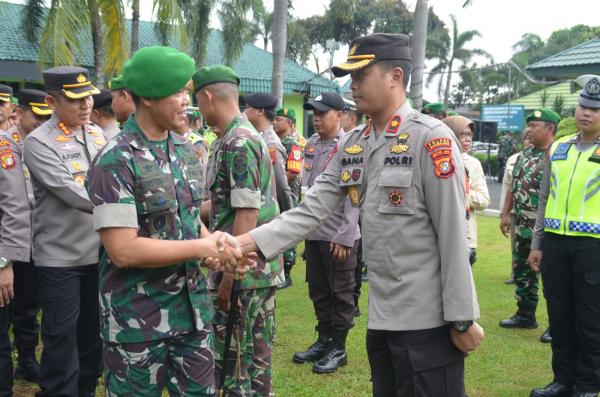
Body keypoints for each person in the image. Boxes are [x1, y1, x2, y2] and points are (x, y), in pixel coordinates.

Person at [232, 33, 483, 397]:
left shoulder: (431, 139)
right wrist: (244, 242)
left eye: (361, 75)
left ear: (395, 77)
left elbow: (453, 234)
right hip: (382, 318)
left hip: (426, 322)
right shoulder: (356, 144)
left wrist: (462, 317)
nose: (353, 85)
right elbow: (311, 209)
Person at [86, 46, 244, 397]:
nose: (186, 100)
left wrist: (212, 246)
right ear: (147, 97)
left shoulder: (186, 149)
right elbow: (122, 249)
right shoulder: (114, 160)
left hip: (193, 316)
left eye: (186, 91)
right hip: (137, 324)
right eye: (177, 92)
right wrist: (200, 246)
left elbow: (187, 218)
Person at [194, 65, 284, 396]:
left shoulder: (239, 142)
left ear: (208, 96)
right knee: (247, 357)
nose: (197, 109)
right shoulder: (230, 137)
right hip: (249, 265)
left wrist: (230, 277)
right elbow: (226, 204)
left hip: (245, 269)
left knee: (240, 363)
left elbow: (246, 212)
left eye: (197, 101)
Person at [23, 66, 105, 397]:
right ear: (51, 101)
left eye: (88, 97)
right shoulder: (38, 143)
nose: (85, 105)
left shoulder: (98, 134)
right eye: (75, 99)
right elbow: (71, 192)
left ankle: (84, 391)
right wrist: (127, 209)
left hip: (98, 254)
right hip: (60, 260)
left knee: (93, 336)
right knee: (60, 338)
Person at [528, 76, 600, 397]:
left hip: (593, 248)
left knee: (590, 320)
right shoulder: (560, 147)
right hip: (555, 244)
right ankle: (562, 381)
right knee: (559, 316)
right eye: (583, 106)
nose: (586, 113)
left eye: (594, 109)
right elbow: (544, 199)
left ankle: (587, 385)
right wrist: (537, 243)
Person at [292, 92, 360, 374]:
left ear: (340, 115)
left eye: (322, 113)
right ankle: (324, 339)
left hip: (338, 235)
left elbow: (354, 195)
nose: (316, 118)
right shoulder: (311, 145)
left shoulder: (350, 146)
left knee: (341, 293)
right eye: (314, 114)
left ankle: (339, 347)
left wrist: (345, 235)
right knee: (319, 291)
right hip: (315, 232)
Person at [1, 89, 52, 387]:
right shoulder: (8, 147)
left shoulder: (47, 142)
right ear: (18, 114)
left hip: (36, 238)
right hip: (10, 238)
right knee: (8, 301)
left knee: (29, 304)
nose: (43, 122)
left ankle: (27, 356)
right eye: (38, 116)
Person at [499, 109, 559, 339]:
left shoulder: (557, 155)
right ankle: (525, 315)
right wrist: (505, 214)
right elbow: (513, 188)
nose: (530, 130)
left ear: (549, 129)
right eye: (530, 125)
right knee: (523, 271)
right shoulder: (525, 155)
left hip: (545, 228)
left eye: (535, 125)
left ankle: (557, 324)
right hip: (522, 223)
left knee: (552, 277)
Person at [443, 115, 490, 265]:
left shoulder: (473, 163)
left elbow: (483, 200)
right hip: (437, 233)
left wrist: (463, 191)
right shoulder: (435, 158)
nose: (467, 139)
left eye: (469, 135)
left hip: (464, 235)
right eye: (462, 134)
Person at [243, 92, 293, 216]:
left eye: (249, 107)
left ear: (260, 111)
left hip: (266, 214)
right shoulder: (258, 137)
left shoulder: (270, 144)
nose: (244, 111)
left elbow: (280, 184)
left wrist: (288, 215)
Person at [340, 98, 366, 315]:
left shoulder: (359, 143)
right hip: (348, 215)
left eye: (342, 114)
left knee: (355, 263)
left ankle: (354, 302)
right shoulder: (347, 143)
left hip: (361, 214)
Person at [273, 106, 303, 289]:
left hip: (288, 192)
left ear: (290, 123)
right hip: (277, 191)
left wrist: (275, 182)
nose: (275, 122)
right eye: (275, 119)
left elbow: (293, 170)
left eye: (280, 119)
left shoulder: (293, 144)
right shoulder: (274, 141)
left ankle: (288, 272)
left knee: (288, 228)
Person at [500, 131, 533, 285]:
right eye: (526, 138)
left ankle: (537, 273)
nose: (529, 141)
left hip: (536, 213)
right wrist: (503, 214)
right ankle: (515, 272)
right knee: (516, 244)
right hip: (516, 212)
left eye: (531, 137)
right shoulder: (514, 159)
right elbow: (507, 187)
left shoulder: (548, 157)